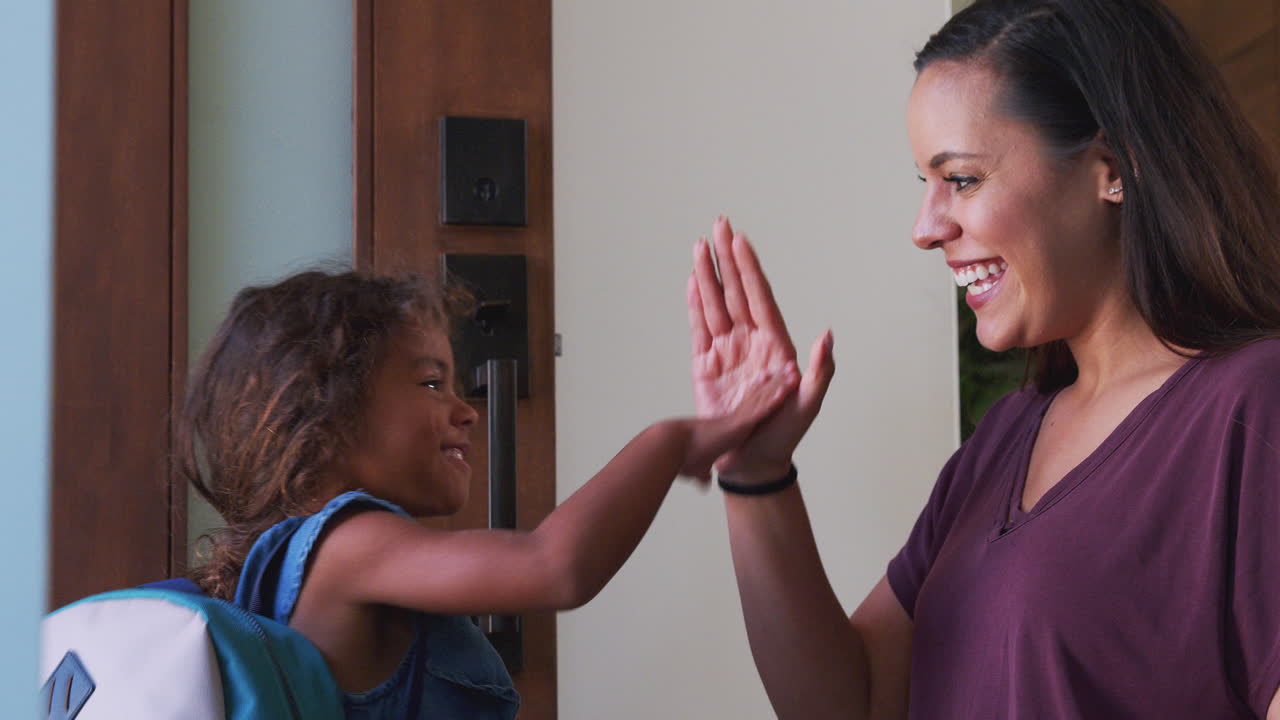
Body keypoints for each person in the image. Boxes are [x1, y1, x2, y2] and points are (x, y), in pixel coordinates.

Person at [688, 0, 1280, 717]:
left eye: (962, 179)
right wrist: (756, 474)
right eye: (926, 184)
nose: (925, 228)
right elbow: (855, 704)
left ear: (1111, 168)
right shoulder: (1004, 437)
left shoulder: (1255, 406)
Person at [180, 269, 798, 718]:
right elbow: (555, 568)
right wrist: (669, 441)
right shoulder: (346, 545)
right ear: (323, 412)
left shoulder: (315, 559)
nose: (466, 410)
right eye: (431, 383)